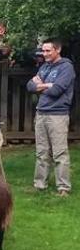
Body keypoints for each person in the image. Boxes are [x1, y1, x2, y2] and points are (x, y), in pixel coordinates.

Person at [27, 38, 75, 196]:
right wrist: (47, 85)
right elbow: (30, 86)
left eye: (48, 50)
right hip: (41, 112)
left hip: (58, 115)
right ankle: (40, 185)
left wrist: (40, 86)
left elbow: (57, 90)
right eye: (43, 50)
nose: (45, 54)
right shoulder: (45, 66)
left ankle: (63, 188)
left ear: (58, 50)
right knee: (41, 152)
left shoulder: (66, 67)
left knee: (60, 153)